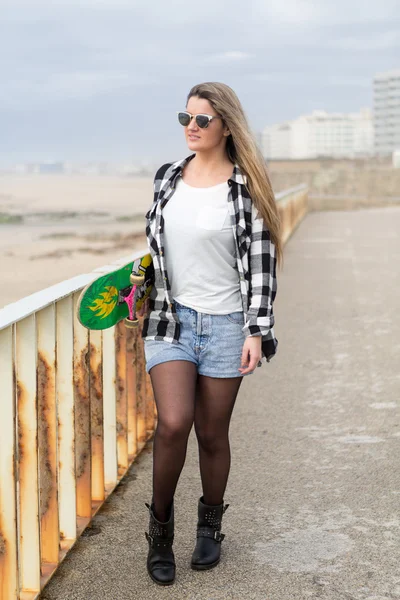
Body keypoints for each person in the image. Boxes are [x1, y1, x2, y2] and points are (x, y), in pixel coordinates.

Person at [138, 82, 283, 586]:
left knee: (212, 433)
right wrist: (140, 284)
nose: (191, 128)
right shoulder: (167, 178)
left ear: (225, 125)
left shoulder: (246, 187)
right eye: (185, 118)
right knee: (174, 423)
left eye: (201, 120)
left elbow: (262, 266)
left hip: (226, 324)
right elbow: (158, 249)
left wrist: (256, 331)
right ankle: (159, 533)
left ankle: (210, 525)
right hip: (170, 320)